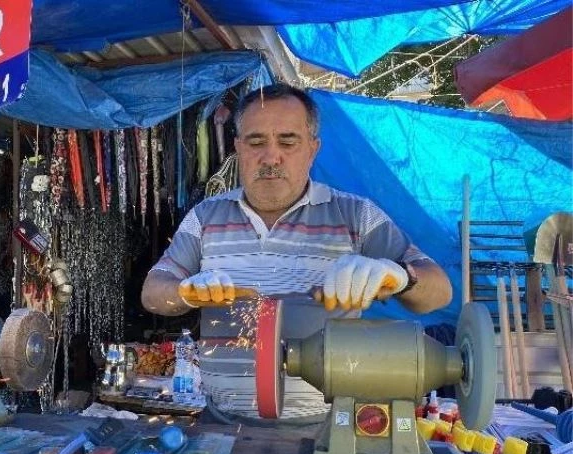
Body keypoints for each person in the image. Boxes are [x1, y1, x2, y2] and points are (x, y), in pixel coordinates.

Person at [141, 84, 451, 419]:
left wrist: (402, 277)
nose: (271, 157)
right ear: (238, 148)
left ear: (313, 149)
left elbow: (440, 292)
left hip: (327, 425)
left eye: (288, 142)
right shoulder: (206, 216)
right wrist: (186, 292)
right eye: (256, 142)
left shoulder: (356, 215)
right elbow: (153, 292)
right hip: (222, 423)